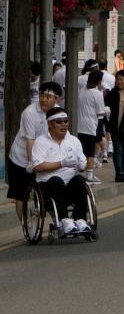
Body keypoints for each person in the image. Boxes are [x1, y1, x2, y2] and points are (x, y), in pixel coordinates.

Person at [31, 108, 91, 235]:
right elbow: (38, 166)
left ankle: (80, 219)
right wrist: (61, 164)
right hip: (47, 187)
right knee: (56, 180)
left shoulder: (74, 141)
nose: (64, 124)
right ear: (49, 124)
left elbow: (83, 163)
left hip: (68, 186)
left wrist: (82, 166)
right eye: (59, 122)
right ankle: (64, 220)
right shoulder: (40, 142)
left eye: (66, 121)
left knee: (80, 180)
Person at [6, 82, 60, 218]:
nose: (43, 99)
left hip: (42, 157)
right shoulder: (29, 113)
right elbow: (30, 140)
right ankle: (25, 225)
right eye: (42, 95)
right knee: (21, 194)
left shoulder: (58, 112)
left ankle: (52, 216)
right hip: (22, 159)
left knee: (46, 187)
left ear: (56, 99)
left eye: (48, 96)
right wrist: (32, 162)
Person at [77, 68, 106, 185]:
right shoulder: (97, 94)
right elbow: (100, 113)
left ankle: (82, 169)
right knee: (90, 151)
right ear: (99, 81)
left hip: (79, 126)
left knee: (81, 150)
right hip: (90, 126)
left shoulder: (81, 91)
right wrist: (107, 111)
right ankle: (89, 175)